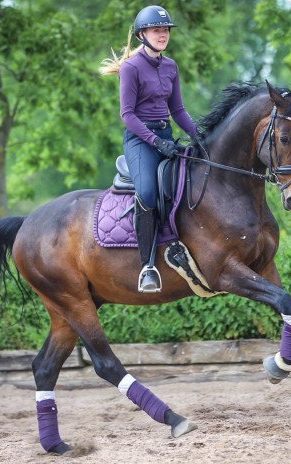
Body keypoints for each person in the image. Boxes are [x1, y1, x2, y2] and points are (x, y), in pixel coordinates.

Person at [100, 5, 199, 293]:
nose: (163, 34)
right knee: (146, 192)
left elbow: (178, 110)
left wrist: (201, 136)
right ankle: (147, 266)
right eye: (157, 30)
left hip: (166, 136)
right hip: (140, 140)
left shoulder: (171, 66)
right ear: (143, 34)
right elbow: (127, 115)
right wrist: (156, 142)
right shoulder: (131, 68)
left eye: (166, 30)